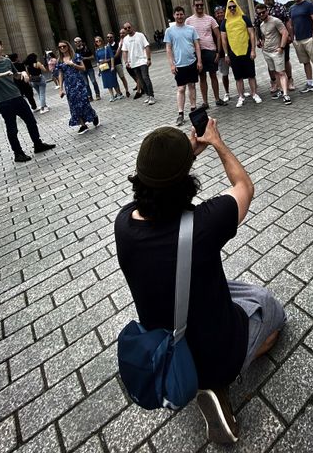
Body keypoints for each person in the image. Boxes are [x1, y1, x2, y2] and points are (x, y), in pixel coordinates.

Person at [114, 120, 285, 444]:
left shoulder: (123, 222)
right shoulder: (203, 224)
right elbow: (243, 186)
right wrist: (217, 143)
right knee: (270, 308)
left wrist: (179, 160)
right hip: (214, 347)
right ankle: (218, 380)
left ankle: (201, 376)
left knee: (227, 287)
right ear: (185, 180)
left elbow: (159, 189)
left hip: (165, 341)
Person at [0, 39, 56, 162]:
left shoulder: (7, 61)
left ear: (1, 47)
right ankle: (18, 153)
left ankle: (38, 144)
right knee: (12, 128)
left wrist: (23, 73)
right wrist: (2, 74)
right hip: (4, 102)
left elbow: (15, 75)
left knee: (31, 122)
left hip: (17, 97)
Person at [220, 0, 262, 107]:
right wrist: (226, 54)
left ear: (237, 7)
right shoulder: (224, 22)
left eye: (234, 6)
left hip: (246, 50)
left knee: (251, 75)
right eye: (230, 7)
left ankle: (254, 94)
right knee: (238, 77)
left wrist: (253, 50)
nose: (232, 9)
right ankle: (241, 96)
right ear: (227, 9)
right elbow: (223, 39)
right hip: (233, 52)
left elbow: (252, 34)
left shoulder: (244, 18)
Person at [165, 6, 202, 127]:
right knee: (181, 89)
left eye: (181, 14)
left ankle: (193, 109)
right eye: (177, 14)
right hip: (179, 65)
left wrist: (199, 61)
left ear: (184, 15)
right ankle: (180, 113)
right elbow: (168, 48)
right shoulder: (169, 31)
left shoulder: (191, 29)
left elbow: (197, 46)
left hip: (191, 62)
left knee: (192, 86)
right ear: (174, 15)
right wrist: (171, 64)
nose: (179, 17)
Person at [186, 0, 224, 108]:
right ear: (193, 6)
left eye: (201, 5)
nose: (199, 7)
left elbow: (218, 36)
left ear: (203, 5)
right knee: (202, 77)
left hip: (210, 51)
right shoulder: (189, 21)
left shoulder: (210, 19)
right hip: (197, 53)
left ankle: (217, 99)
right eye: (197, 5)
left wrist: (218, 52)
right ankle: (205, 102)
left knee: (213, 75)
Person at [256, 0, 294, 93]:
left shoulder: (280, 7)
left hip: (282, 40)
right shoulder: (259, 9)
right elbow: (257, 25)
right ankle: (274, 83)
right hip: (269, 43)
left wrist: (290, 36)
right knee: (271, 65)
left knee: (285, 60)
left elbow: (287, 21)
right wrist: (258, 39)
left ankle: (290, 80)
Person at [56, 40, 99, 135]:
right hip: (69, 85)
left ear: (68, 46)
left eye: (64, 46)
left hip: (78, 83)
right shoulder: (59, 60)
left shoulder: (76, 56)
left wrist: (73, 64)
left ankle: (93, 115)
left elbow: (83, 68)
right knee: (74, 105)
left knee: (84, 102)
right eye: (60, 47)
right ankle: (83, 125)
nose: (62, 48)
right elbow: (60, 74)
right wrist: (61, 88)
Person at [255, 4, 291, 104]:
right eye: (259, 13)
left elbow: (285, 33)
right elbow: (266, 36)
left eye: (263, 12)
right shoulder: (261, 24)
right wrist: (261, 42)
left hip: (277, 51)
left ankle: (286, 95)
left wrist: (282, 47)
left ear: (267, 11)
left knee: (281, 72)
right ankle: (280, 90)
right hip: (267, 52)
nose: (261, 14)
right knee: (275, 72)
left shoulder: (275, 21)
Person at [121, 22, 155, 104]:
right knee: (140, 80)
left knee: (145, 77)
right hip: (134, 63)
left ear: (132, 27)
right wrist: (126, 62)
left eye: (129, 27)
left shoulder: (140, 35)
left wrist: (149, 58)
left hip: (143, 60)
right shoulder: (125, 39)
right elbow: (124, 51)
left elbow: (147, 46)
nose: (127, 29)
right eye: (125, 28)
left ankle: (152, 96)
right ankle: (147, 95)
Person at [94, 36, 123, 101]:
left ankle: (118, 94)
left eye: (99, 40)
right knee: (107, 82)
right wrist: (99, 70)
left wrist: (112, 66)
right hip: (103, 68)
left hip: (109, 66)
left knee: (113, 80)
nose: (98, 42)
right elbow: (98, 61)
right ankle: (112, 96)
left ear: (102, 40)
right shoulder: (97, 51)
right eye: (96, 41)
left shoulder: (107, 47)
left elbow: (112, 57)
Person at [214, 6, 231, 104]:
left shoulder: (229, 21)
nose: (220, 14)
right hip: (221, 54)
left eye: (221, 12)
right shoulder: (214, 25)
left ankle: (242, 90)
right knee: (225, 74)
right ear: (215, 15)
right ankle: (227, 92)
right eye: (218, 13)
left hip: (232, 51)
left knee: (238, 72)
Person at [106, 31, 131, 97]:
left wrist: (108, 59)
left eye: (110, 37)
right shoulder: (106, 46)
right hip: (111, 65)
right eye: (107, 37)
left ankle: (127, 90)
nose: (109, 38)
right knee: (114, 79)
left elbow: (117, 55)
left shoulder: (118, 44)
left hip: (118, 63)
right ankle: (119, 92)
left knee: (122, 77)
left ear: (113, 38)